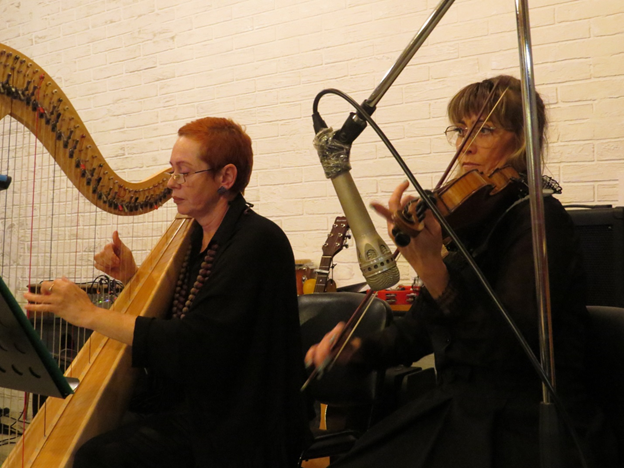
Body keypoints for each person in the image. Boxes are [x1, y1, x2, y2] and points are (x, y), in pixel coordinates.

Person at [305, 75, 618, 467]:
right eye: (460, 129)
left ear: (521, 140)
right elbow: (419, 331)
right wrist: (354, 351)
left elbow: (511, 351)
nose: (465, 144)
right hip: (462, 407)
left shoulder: (540, 221)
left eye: (484, 130)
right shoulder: (467, 224)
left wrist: (434, 270)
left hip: (525, 422)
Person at [25, 117, 310, 468]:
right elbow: (190, 310)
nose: (172, 182)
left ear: (226, 177)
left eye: (184, 172)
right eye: (172, 171)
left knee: (97, 457)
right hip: (196, 404)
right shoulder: (197, 237)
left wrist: (89, 314)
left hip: (239, 424)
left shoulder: (257, 242)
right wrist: (131, 277)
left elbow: (195, 344)